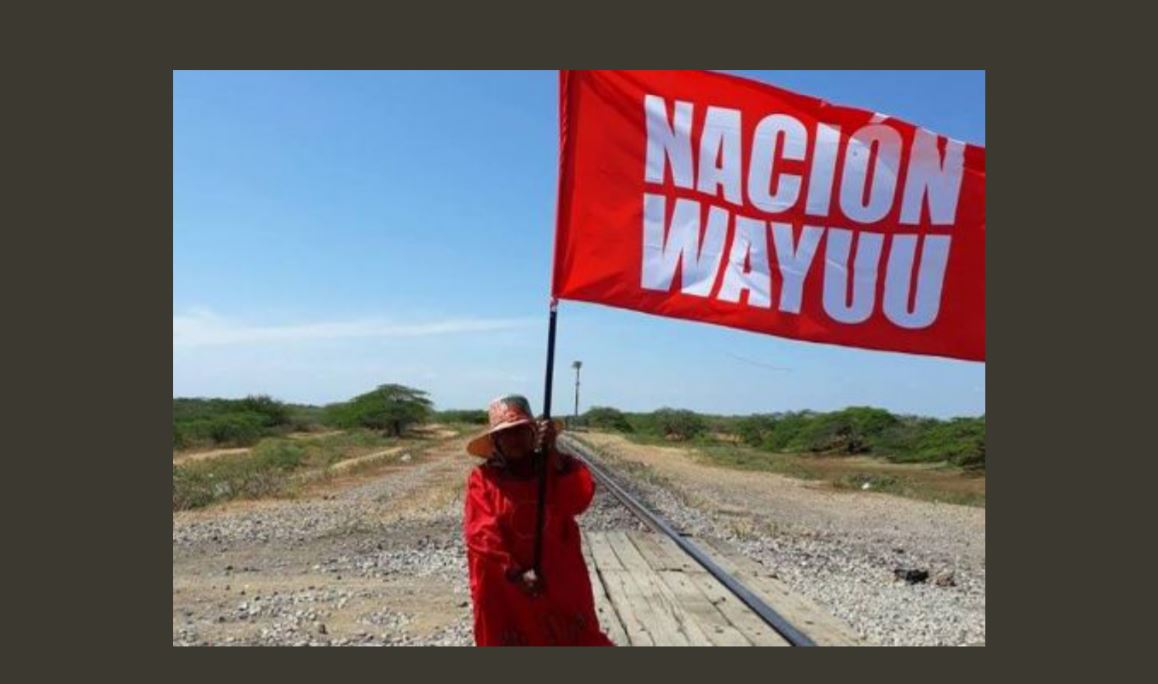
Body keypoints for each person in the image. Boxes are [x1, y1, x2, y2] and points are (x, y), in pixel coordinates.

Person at [463, 394, 614, 647]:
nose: (515, 439)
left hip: (557, 580)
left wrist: (552, 452)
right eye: (506, 434)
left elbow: (579, 501)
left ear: (534, 434)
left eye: (521, 431)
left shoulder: (558, 468)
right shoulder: (483, 479)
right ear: (495, 441)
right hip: (506, 584)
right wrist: (515, 573)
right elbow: (481, 533)